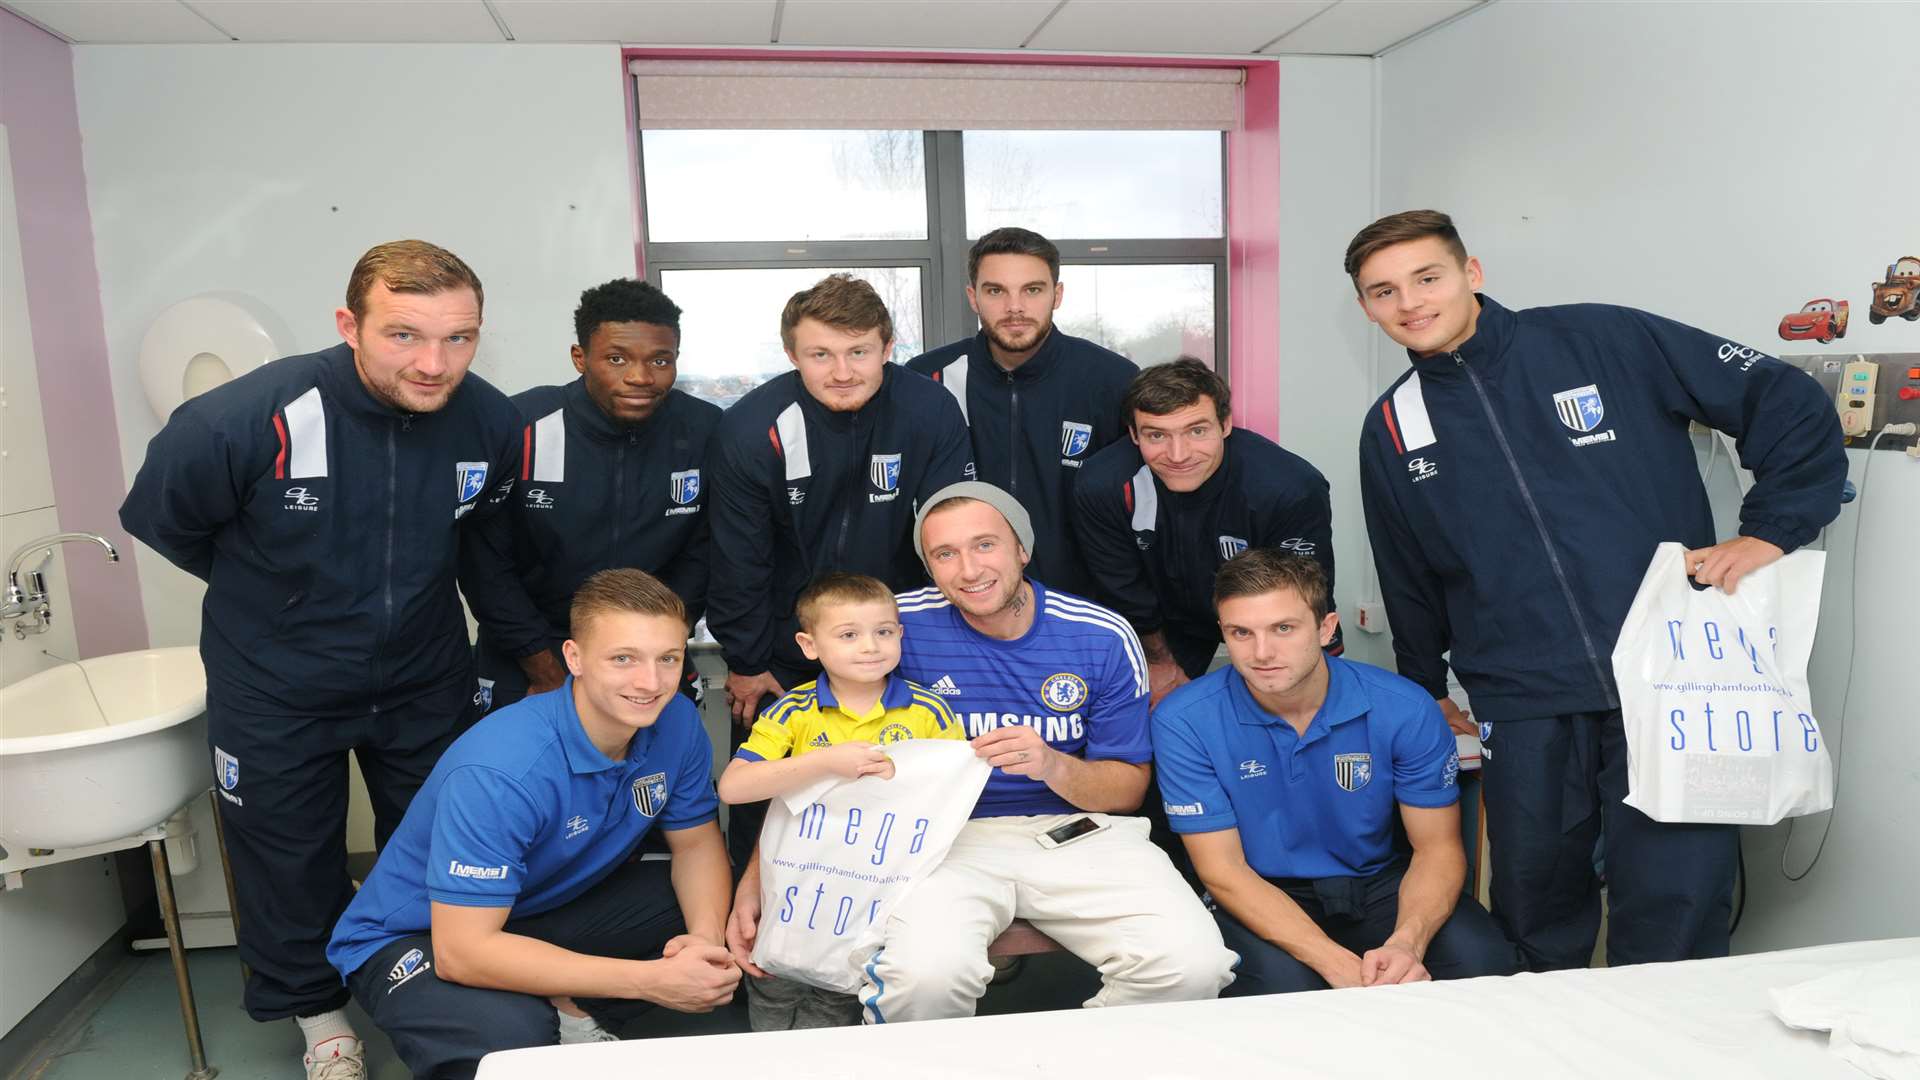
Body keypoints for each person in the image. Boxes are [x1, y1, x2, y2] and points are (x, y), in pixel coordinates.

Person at [1350, 209, 1847, 970]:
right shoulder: (1391, 424)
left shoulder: (1602, 340)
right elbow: (1408, 570)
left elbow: (1782, 397)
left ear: (1470, 273)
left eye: (1427, 278)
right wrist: (1423, 686)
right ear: (1366, 308)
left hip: (1671, 679)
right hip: (1523, 699)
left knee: (1675, 904)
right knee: (1535, 910)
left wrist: (1772, 529)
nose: (1410, 303)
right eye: (1384, 292)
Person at [119, 240, 523, 1079]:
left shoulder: (488, 420)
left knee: (443, 844)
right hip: (275, 685)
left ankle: (437, 992)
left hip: (421, 676)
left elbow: (482, 532)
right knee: (286, 856)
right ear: (350, 324)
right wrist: (282, 600)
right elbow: (164, 520)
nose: (434, 362)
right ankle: (319, 1018)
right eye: (405, 335)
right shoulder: (244, 417)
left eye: (459, 338)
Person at [729, 482, 1236, 1022]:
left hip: (1077, 833)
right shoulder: (887, 626)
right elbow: (814, 752)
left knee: (1194, 964)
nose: (968, 569)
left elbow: (1127, 789)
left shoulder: (1100, 635)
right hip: (935, 843)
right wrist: (763, 876)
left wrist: (1052, 764)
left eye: (985, 545)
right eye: (945, 554)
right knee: (926, 977)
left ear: (1022, 548)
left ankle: (1068, 1064)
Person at [327, 569, 737, 1080]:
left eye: (668, 659)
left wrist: (704, 943)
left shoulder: (674, 719)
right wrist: (651, 980)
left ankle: (574, 1011)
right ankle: (542, 1011)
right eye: (623, 658)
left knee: (730, 908)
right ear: (574, 659)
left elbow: (696, 846)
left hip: (530, 906)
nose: (649, 682)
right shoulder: (501, 769)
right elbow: (463, 952)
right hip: (422, 936)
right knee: (509, 1043)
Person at [1152, 550, 1517, 994]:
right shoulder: (1184, 720)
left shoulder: (1404, 707)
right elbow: (1224, 872)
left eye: (1283, 628)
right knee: (1286, 991)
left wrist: (1407, 945)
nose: (1262, 653)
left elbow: (1436, 850)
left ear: (1326, 628)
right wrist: (1337, 964)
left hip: (1378, 883)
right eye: (1241, 633)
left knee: (1484, 962)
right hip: (1258, 890)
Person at [707, 273, 973, 870]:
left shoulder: (929, 409)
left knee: (911, 789)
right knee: (775, 802)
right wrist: (747, 660)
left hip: (900, 639)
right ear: (791, 354)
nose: (842, 371)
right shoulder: (753, 428)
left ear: (888, 345)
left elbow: (951, 526)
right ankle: (761, 943)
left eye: (859, 352)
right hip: (784, 648)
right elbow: (736, 557)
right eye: (820, 355)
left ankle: (922, 922)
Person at [716, 572, 963, 1030]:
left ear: (900, 635)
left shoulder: (930, 711)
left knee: (835, 1004)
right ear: (809, 646)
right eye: (848, 635)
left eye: (884, 632)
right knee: (773, 989)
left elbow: (951, 792)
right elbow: (733, 787)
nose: (870, 646)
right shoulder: (794, 709)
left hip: (875, 888)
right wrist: (827, 762)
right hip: (795, 882)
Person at [461, 278, 720, 714]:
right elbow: (484, 564)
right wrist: (543, 667)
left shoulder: (706, 430)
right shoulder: (519, 425)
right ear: (580, 358)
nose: (639, 377)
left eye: (660, 360)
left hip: (648, 651)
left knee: (656, 779)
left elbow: (705, 554)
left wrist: (659, 645)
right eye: (616, 359)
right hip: (530, 652)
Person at [1075, 357, 1339, 706]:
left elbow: (1301, 599)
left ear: (1226, 424)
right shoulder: (1103, 484)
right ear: (1134, 434)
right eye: (1157, 435)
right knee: (1151, 718)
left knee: (1303, 706)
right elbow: (1122, 587)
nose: (1179, 454)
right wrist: (1159, 662)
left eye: (1197, 431)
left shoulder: (1289, 487)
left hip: (1268, 612)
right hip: (1162, 619)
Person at [909, 227, 1138, 598]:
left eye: (1032, 289)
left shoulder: (1113, 380)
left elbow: (1141, 504)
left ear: (1057, 294)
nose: (1015, 307)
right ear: (973, 297)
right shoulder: (925, 378)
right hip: (958, 598)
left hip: (1082, 604)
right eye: (996, 290)